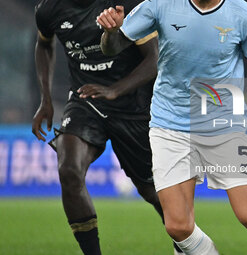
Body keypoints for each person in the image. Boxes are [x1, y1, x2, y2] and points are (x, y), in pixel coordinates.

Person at [95, 0, 247, 254]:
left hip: (224, 126)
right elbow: (111, 49)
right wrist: (110, 32)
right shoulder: (159, 5)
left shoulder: (244, 14)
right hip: (169, 125)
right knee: (178, 227)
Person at [32, 0, 183, 254]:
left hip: (133, 104)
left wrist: (115, 90)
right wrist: (45, 99)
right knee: (69, 170)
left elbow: (155, 59)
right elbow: (44, 45)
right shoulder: (49, 9)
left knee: (153, 191)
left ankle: (186, 243)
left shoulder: (128, 5)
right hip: (85, 100)